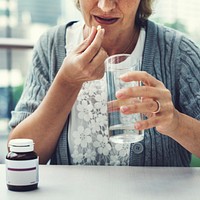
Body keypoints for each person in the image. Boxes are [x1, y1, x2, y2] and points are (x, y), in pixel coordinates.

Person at [8, 0, 200, 166]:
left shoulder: (179, 52)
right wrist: (66, 82)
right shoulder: (51, 46)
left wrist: (174, 122)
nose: (105, 6)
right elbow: (19, 155)